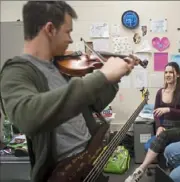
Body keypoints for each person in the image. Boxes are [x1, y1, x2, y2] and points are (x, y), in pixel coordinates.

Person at [0, 1, 137, 182]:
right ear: (50, 29)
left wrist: (114, 78)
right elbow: (26, 118)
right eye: (68, 31)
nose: (71, 39)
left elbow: (94, 103)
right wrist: (102, 76)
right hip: (63, 172)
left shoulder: (61, 67)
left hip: (89, 161)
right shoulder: (17, 71)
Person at [125, 62, 180, 182]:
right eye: (166, 72)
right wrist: (159, 126)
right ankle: (165, 175)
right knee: (161, 137)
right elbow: (156, 114)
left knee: (163, 136)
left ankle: (141, 169)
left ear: (177, 75)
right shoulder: (160, 92)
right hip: (164, 128)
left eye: (171, 72)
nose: (168, 74)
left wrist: (168, 109)